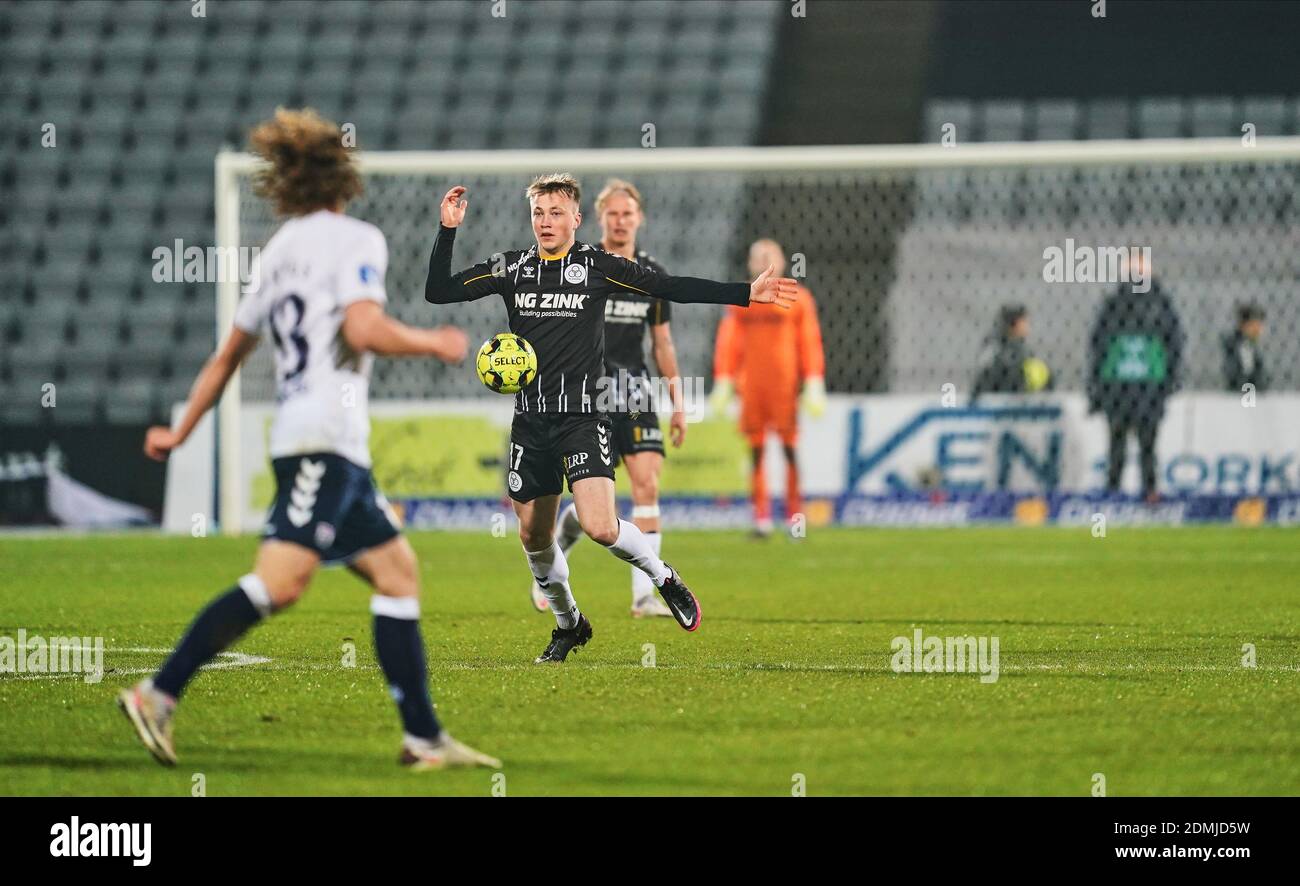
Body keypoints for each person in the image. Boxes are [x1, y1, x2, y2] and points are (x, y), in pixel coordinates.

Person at [118, 109, 500, 771]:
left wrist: (181, 431)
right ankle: (158, 693)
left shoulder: (280, 251)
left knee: (396, 570)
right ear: (343, 175)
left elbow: (227, 355)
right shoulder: (355, 239)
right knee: (283, 582)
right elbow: (362, 329)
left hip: (320, 440)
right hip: (322, 437)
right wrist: (430, 341)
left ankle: (424, 738)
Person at [425, 175, 797, 662]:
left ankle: (662, 577)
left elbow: (669, 287)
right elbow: (439, 292)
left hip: (583, 415)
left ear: (577, 219)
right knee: (533, 536)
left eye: (556, 213)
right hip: (531, 421)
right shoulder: (511, 267)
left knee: (601, 526)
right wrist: (447, 230)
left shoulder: (596, 266)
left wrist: (743, 293)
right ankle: (569, 623)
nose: (546, 222)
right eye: (539, 213)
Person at [540, 179, 683, 619]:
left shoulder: (651, 274)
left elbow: (662, 343)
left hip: (635, 390)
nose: (621, 221)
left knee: (647, 486)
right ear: (600, 219)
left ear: (640, 218)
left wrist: (678, 401)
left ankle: (644, 596)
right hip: (589, 391)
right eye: (613, 214)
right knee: (594, 508)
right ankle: (557, 552)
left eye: (628, 213)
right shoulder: (584, 266)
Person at [710, 239, 825, 537]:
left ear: (782, 260)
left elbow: (809, 342)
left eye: (768, 255)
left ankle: (794, 517)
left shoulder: (798, 298)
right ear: (749, 263)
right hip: (752, 389)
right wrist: (723, 378)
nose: (763, 261)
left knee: (789, 451)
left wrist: (813, 380)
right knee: (757, 453)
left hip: (784, 389)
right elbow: (729, 342)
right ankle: (761, 518)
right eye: (757, 257)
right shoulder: (741, 298)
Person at [1087, 253, 1183, 502]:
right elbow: (1098, 346)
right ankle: (1114, 492)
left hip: (1147, 387)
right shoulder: (1115, 304)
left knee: (1147, 444)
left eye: (1140, 265)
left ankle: (1148, 491)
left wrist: (1170, 379)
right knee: (1117, 444)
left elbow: (1174, 343)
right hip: (1120, 387)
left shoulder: (1160, 305)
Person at [970, 304, 1053, 402]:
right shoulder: (998, 346)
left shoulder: (1018, 347)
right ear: (1015, 323)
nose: (1027, 325)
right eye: (1024, 322)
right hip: (994, 401)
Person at [1222, 303, 1268, 393]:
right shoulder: (1242, 346)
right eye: (1255, 325)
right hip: (1243, 393)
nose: (1259, 329)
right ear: (1244, 325)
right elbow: (1247, 372)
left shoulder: (1249, 344)